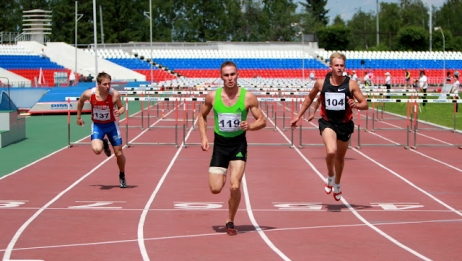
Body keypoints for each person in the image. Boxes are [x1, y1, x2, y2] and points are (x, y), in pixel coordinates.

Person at [198, 61, 266, 235]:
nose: (230, 78)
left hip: (238, 145)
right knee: (215, 189)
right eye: (226, 75)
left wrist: (250, 126)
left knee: (235, 186)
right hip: (220, 146)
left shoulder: (248, 97)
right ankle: (222, 176)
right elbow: (202, 116)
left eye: (232, 74)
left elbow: (262, 121)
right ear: (221, 77)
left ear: (238, 75)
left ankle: (230, 220)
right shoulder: (213, 97)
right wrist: (204, 137)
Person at [290, 52, 368, 201]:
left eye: (342, 65)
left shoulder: (351, 84)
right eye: (336, 65)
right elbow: (309, 98)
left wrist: (356, 105)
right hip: (328, 122)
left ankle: (337, 183)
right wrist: (298, 115)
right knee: (331, 151)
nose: (339, 68)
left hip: (344, 124)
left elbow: (365, 104)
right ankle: (330, 176)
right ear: (331, 66)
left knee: (340, 157)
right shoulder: (321, 83)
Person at [76, 72, 128, 188]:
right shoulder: (89, 94)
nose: (108, 86)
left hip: (111, 126)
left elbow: (122, 107)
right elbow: (80, 102)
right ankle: (104, 143)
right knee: (97, 150)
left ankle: (122, 175)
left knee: (119, 153)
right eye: (105, 84)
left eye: (109, 84)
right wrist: (78, 117)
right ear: (98, 84)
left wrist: (119, 112)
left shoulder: (114, 94)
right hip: (98, 125)